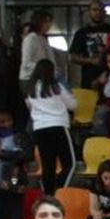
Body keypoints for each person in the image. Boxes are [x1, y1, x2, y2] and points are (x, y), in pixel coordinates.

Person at [25, 60, 77, 195]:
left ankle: (48, 194)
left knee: (48, 166)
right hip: (58, 126)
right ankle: (60, 191)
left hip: (40, 129)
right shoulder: (56, 86)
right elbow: (73, 105)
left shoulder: (31, 89)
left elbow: (29, 106)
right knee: (70, 164)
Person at [69, 0, 110, 91]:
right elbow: (73, 57)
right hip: (89, 78)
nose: (98, 13)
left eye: (100, 10)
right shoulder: (81, 33)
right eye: (94, 10)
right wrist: (91, 61)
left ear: (105, 12)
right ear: (89, 12)